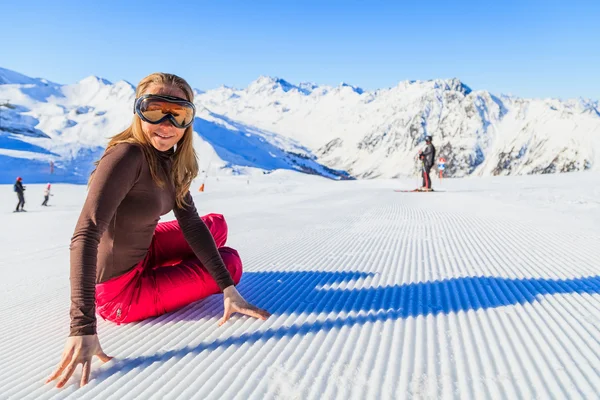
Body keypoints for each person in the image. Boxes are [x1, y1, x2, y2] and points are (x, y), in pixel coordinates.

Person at [45, 73, 271, 389]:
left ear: (187, 120)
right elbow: (86, 233)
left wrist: (227, 289)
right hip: (118, 290)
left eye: (177, 114)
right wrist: (82, 326)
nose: (166, 124)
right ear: (138, 111)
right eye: (154, 110)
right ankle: (179, 275)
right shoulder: (127, 155)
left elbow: (191, 223)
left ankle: (185, 271)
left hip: (144, 248)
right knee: (230, 261)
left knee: (215, 225)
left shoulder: (168, 158)